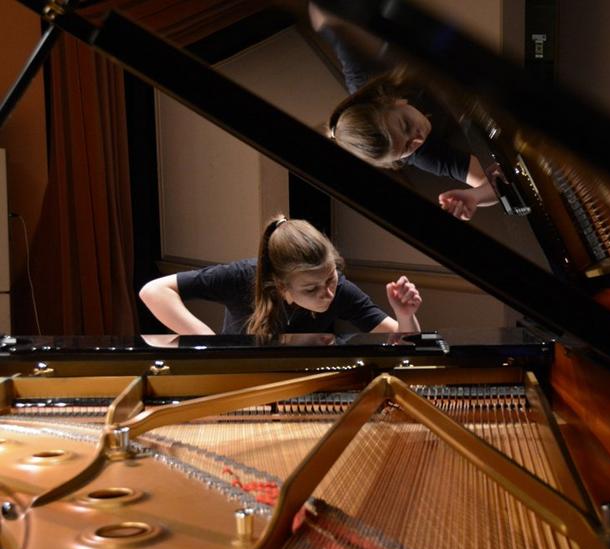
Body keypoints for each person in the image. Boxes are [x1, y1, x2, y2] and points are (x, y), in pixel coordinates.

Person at [309, 1, 498, 221]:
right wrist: (473, 197)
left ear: (390, 101)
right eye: (407, 147)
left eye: (406, 125)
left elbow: (320, 11)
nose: (418, 138)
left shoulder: (363, 73)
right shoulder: (422, 154)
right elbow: (491, 183)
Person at [139, 215, 421, 336]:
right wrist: (208, 339)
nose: (328, 294)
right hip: (239, 385)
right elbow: (153, 291)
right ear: (281, 287)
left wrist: (405, 315)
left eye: (331, 278)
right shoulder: (243, 277)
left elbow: (406, 342)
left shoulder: (338, 290)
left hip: (302, 390)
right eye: (311, 289)